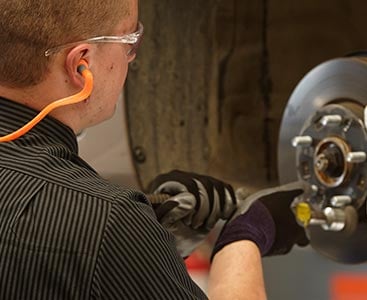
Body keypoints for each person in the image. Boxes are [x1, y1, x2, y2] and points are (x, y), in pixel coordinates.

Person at [0, 0, 308, 299]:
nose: (131, 57)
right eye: (130, 41)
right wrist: (247, 235)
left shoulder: (106, 226)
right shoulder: (111, 224)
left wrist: (147, 253)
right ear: (82, 67)